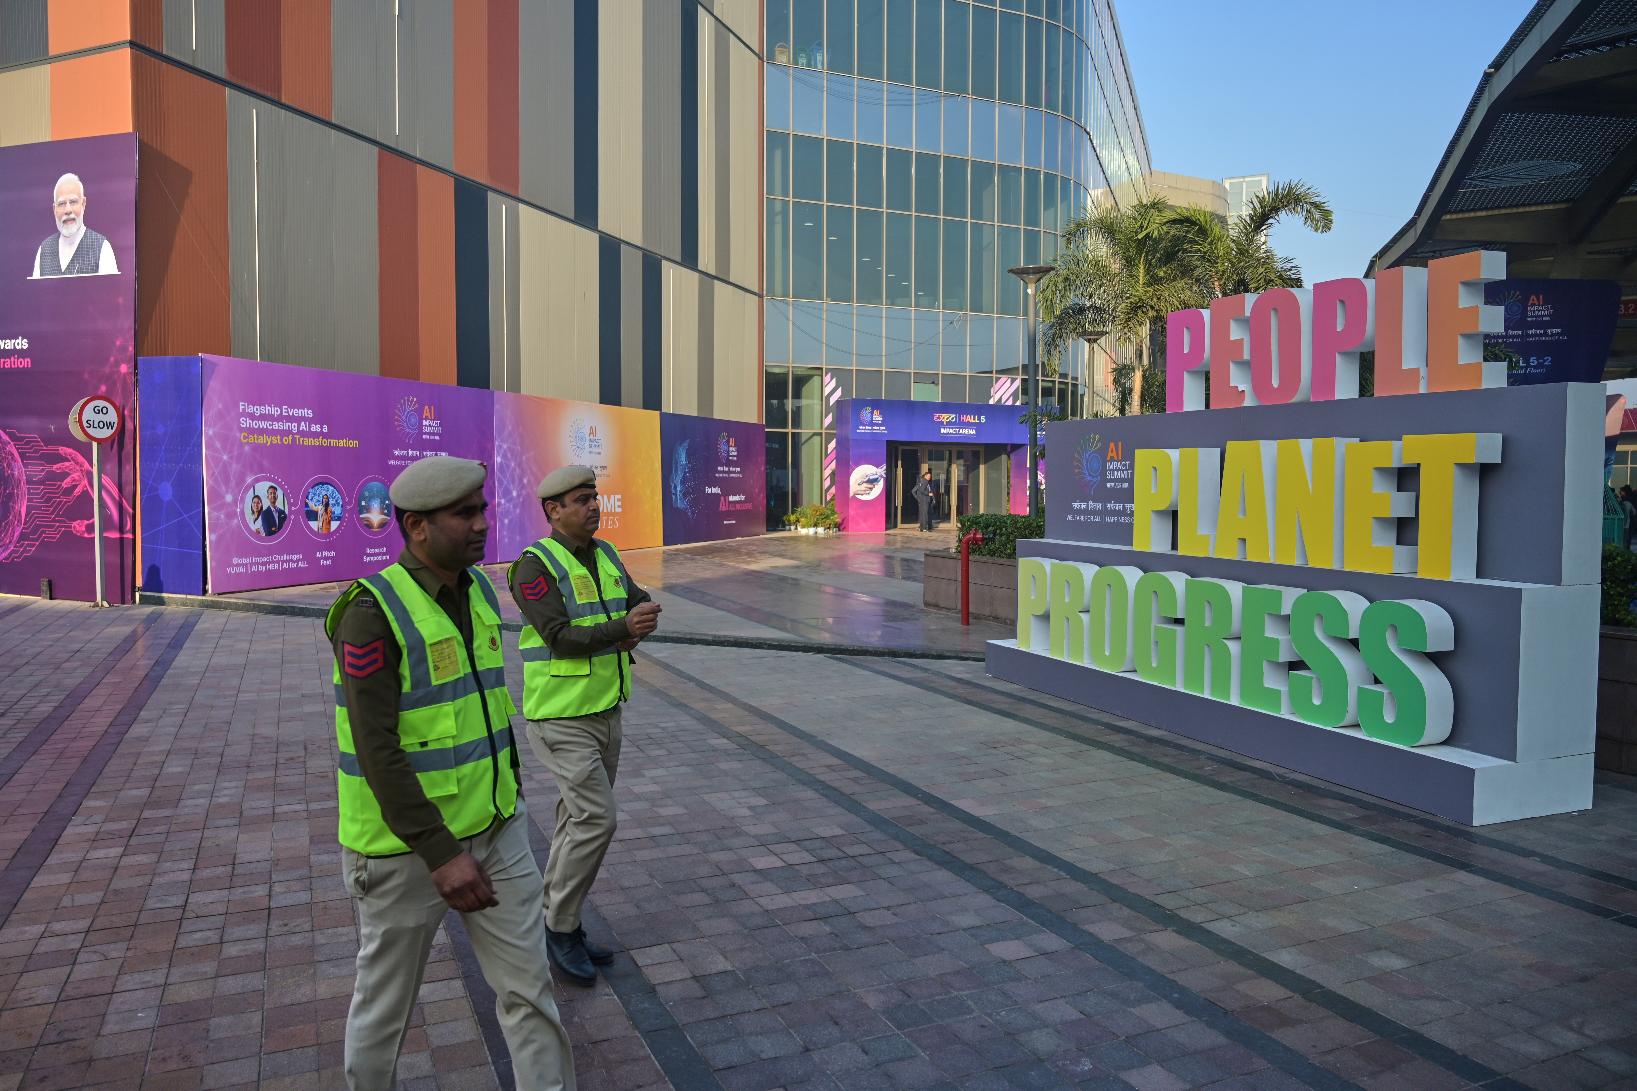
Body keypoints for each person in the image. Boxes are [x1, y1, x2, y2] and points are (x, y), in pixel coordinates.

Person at [326, 456, 575, 1090]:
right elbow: (376, 749)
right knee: (385, 1011)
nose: (482, 523)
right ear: (417, 526)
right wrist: (441, 854)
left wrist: (507, 805)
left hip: (496, 830)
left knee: (530, 993)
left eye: (482, 509)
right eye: (465, 514)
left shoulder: (479, 589)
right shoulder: (370, 611)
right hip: (405, 853)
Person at [507, 465, 661, 985]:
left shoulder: (607, 554)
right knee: (597, 820)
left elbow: (633, 600)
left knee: (577, 820)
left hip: (606, 709)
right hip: (561, 716)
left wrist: (643, 615)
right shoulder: (533, 566)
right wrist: (621, 628)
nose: (594, 506)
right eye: (581, 499)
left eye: (594, 496)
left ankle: (553, 916)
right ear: (553, 511)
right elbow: (557, 636)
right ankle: (560, 928)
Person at [31, 173, 118, 279]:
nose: (68, 210)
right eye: (61, 204)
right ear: (54, 209)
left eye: (73, 202)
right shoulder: (44, 250)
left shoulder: (102, 248)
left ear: (83, 204)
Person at [1621, 484, 1636, 550]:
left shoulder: (1625, 501)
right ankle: (1627, 549)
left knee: (1626, 537)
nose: (1620, 493)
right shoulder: (1631, 498)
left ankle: (1626, 549)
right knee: (1628, 536)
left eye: (1621, 492)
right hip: (1631, 520)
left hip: (1627, 522)